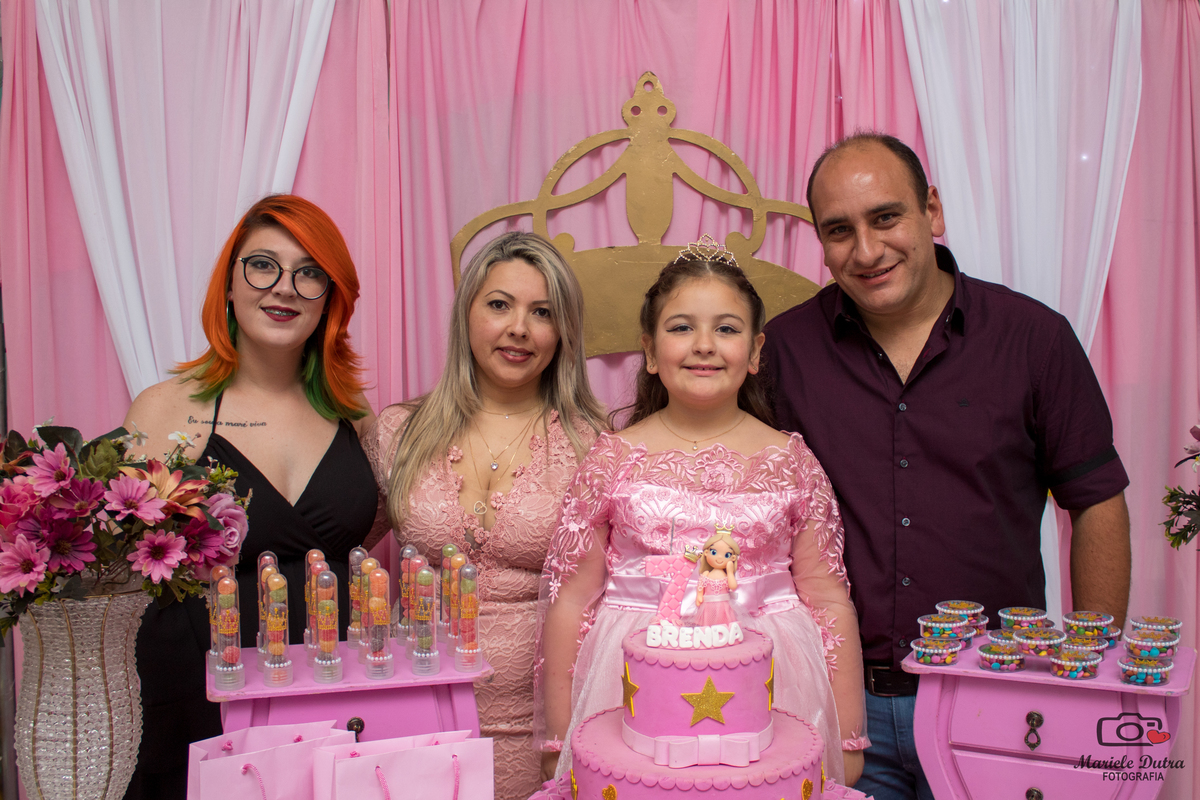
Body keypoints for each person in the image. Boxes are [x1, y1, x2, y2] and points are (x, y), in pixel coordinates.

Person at [760, 132, 1131, 799]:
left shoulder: (1034, 338)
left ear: (931, 210)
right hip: (833, 707)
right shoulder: (784, 351)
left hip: (995, 702)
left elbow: (1096, 499)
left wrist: (1093, 673)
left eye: (886, 217)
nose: (866, 251)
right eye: (839, 230)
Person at [536, 240, 868, 789]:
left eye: (727, 329)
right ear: (649, 350)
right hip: (630, 681)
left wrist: (848, 736)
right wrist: (558, 736)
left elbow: (830, 598)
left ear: (755, 352)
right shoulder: (610, 459)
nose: (705, 345)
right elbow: (570, 598)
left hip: (774, 681)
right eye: (682, 327)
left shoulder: (793, 462)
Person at [122, 195, 385, 799]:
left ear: (331, 299)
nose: (284, 287)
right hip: (199, 687)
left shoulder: (352, 413)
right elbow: (125, 565)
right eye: (263, 265)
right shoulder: (166, 408)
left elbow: (365, 531)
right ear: (229, 283)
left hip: (331, 676)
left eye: (309, 272)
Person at [364, 231, 607, 800]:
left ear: (563, 332)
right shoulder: (399, 431)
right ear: (466, 315)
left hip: (546, 731)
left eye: (542, 312)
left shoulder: (595, 445)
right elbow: (339, 545)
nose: (519, 327)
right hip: (416, 714)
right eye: (499, 304)